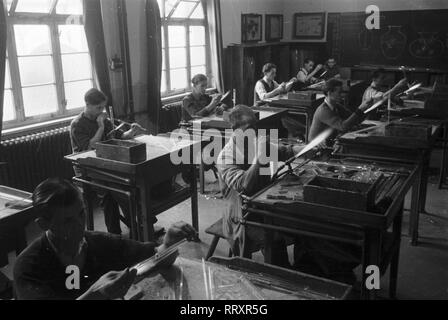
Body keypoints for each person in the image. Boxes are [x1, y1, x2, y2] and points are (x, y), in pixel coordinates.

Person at [13, 178, 197, 300]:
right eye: (67, 220)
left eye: (82, 213)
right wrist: (94, 294)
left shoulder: (100, 243)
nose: (80, 225)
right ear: (44, 224)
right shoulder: (28, 267)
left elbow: (156, 258)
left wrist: (169, 244)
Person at [70, 88, 170, 235]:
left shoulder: (103, 118)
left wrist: (131, 133)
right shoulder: (78, 124)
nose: (101, 111)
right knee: (113, 188)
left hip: (107, 163)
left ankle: (132, 226)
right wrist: (101, 127)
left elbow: (118, 137)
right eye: (98, 107)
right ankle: (137, 225)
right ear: (87, 104)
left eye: (103, 107)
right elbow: (89, 146)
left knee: (124, 184)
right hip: (86, 167)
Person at [216, 105, 301, 268]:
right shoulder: (226, 156)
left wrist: (309, 148)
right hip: (240, 215)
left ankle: (297, 269)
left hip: (262, 207)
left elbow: (286, 151)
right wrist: (259, 158)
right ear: (235, 130)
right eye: (249, 128)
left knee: (301, 222)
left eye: (255, 126)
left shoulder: (255, 144)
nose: (254, 132)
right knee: (274, 238)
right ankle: (279, 275)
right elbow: (244, 185)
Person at [308, 79, 373, 146]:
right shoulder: (323, 110)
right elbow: (343, 126)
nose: (342, 95)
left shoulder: (336, 106)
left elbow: (354, 118)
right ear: (329, 93)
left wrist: (367, 107)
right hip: (316, 146)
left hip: (329, 142)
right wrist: (360, 109)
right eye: (339, 92)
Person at [255, 63, 304, 138]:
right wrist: (277, 90)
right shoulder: (259, 83)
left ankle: (293, 133)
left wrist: (290, 83)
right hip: (260, 110)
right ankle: (293, 133)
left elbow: (283, 90)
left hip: (269, 108)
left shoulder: (273, 82)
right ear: (265, 73)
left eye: (275, 73)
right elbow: (263, 97)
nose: (274, 75)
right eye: (272, 73)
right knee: (282, 117)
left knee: (284, 115)